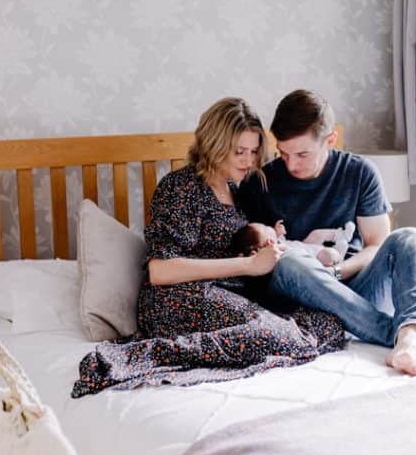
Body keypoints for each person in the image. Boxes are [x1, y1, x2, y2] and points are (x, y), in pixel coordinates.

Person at [72, 97, 346, 397]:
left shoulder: (239, 191)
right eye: (239, 151)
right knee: (279, 334)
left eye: (254, 152)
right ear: (214, 145)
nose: (249, 160)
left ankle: (224, 345)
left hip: (224, 296)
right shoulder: (181, 187)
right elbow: (160, 270)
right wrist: (247, 265)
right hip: (178, 297)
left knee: (327, 323)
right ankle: (152, 353)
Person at [238, 89, 416, 377]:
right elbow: (255, 258)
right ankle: (412, 336)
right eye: (283, 153)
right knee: (290, 261)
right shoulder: (260, 181)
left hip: (356, 287)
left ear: (330, 139)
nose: (291, 164)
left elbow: (376, 245)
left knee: (410, 236)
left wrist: (337, 271)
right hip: (300, 298)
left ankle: (411, 337)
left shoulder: (360, 173)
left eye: (302, 154)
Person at [231, 220, 356, 266]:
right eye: (265, 227)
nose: (268, 226)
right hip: (316, 256)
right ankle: (339, 256)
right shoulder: (277, 252)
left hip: (306, 245)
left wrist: (279, 233)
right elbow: (284, 250)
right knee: (329, 255)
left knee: (316, 234)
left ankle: (341, 234)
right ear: (270, 241)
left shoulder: (277, 242)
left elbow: (283, 241)